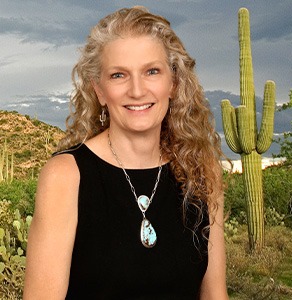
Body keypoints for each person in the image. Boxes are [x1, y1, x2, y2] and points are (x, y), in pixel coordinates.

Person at [23, 6, 228, 300]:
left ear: (173, 82)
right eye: (119, 75)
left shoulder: (202, 170)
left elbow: (214, 294)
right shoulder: (66, 175)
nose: (137, 90)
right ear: (99, 91)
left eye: (152, 71)